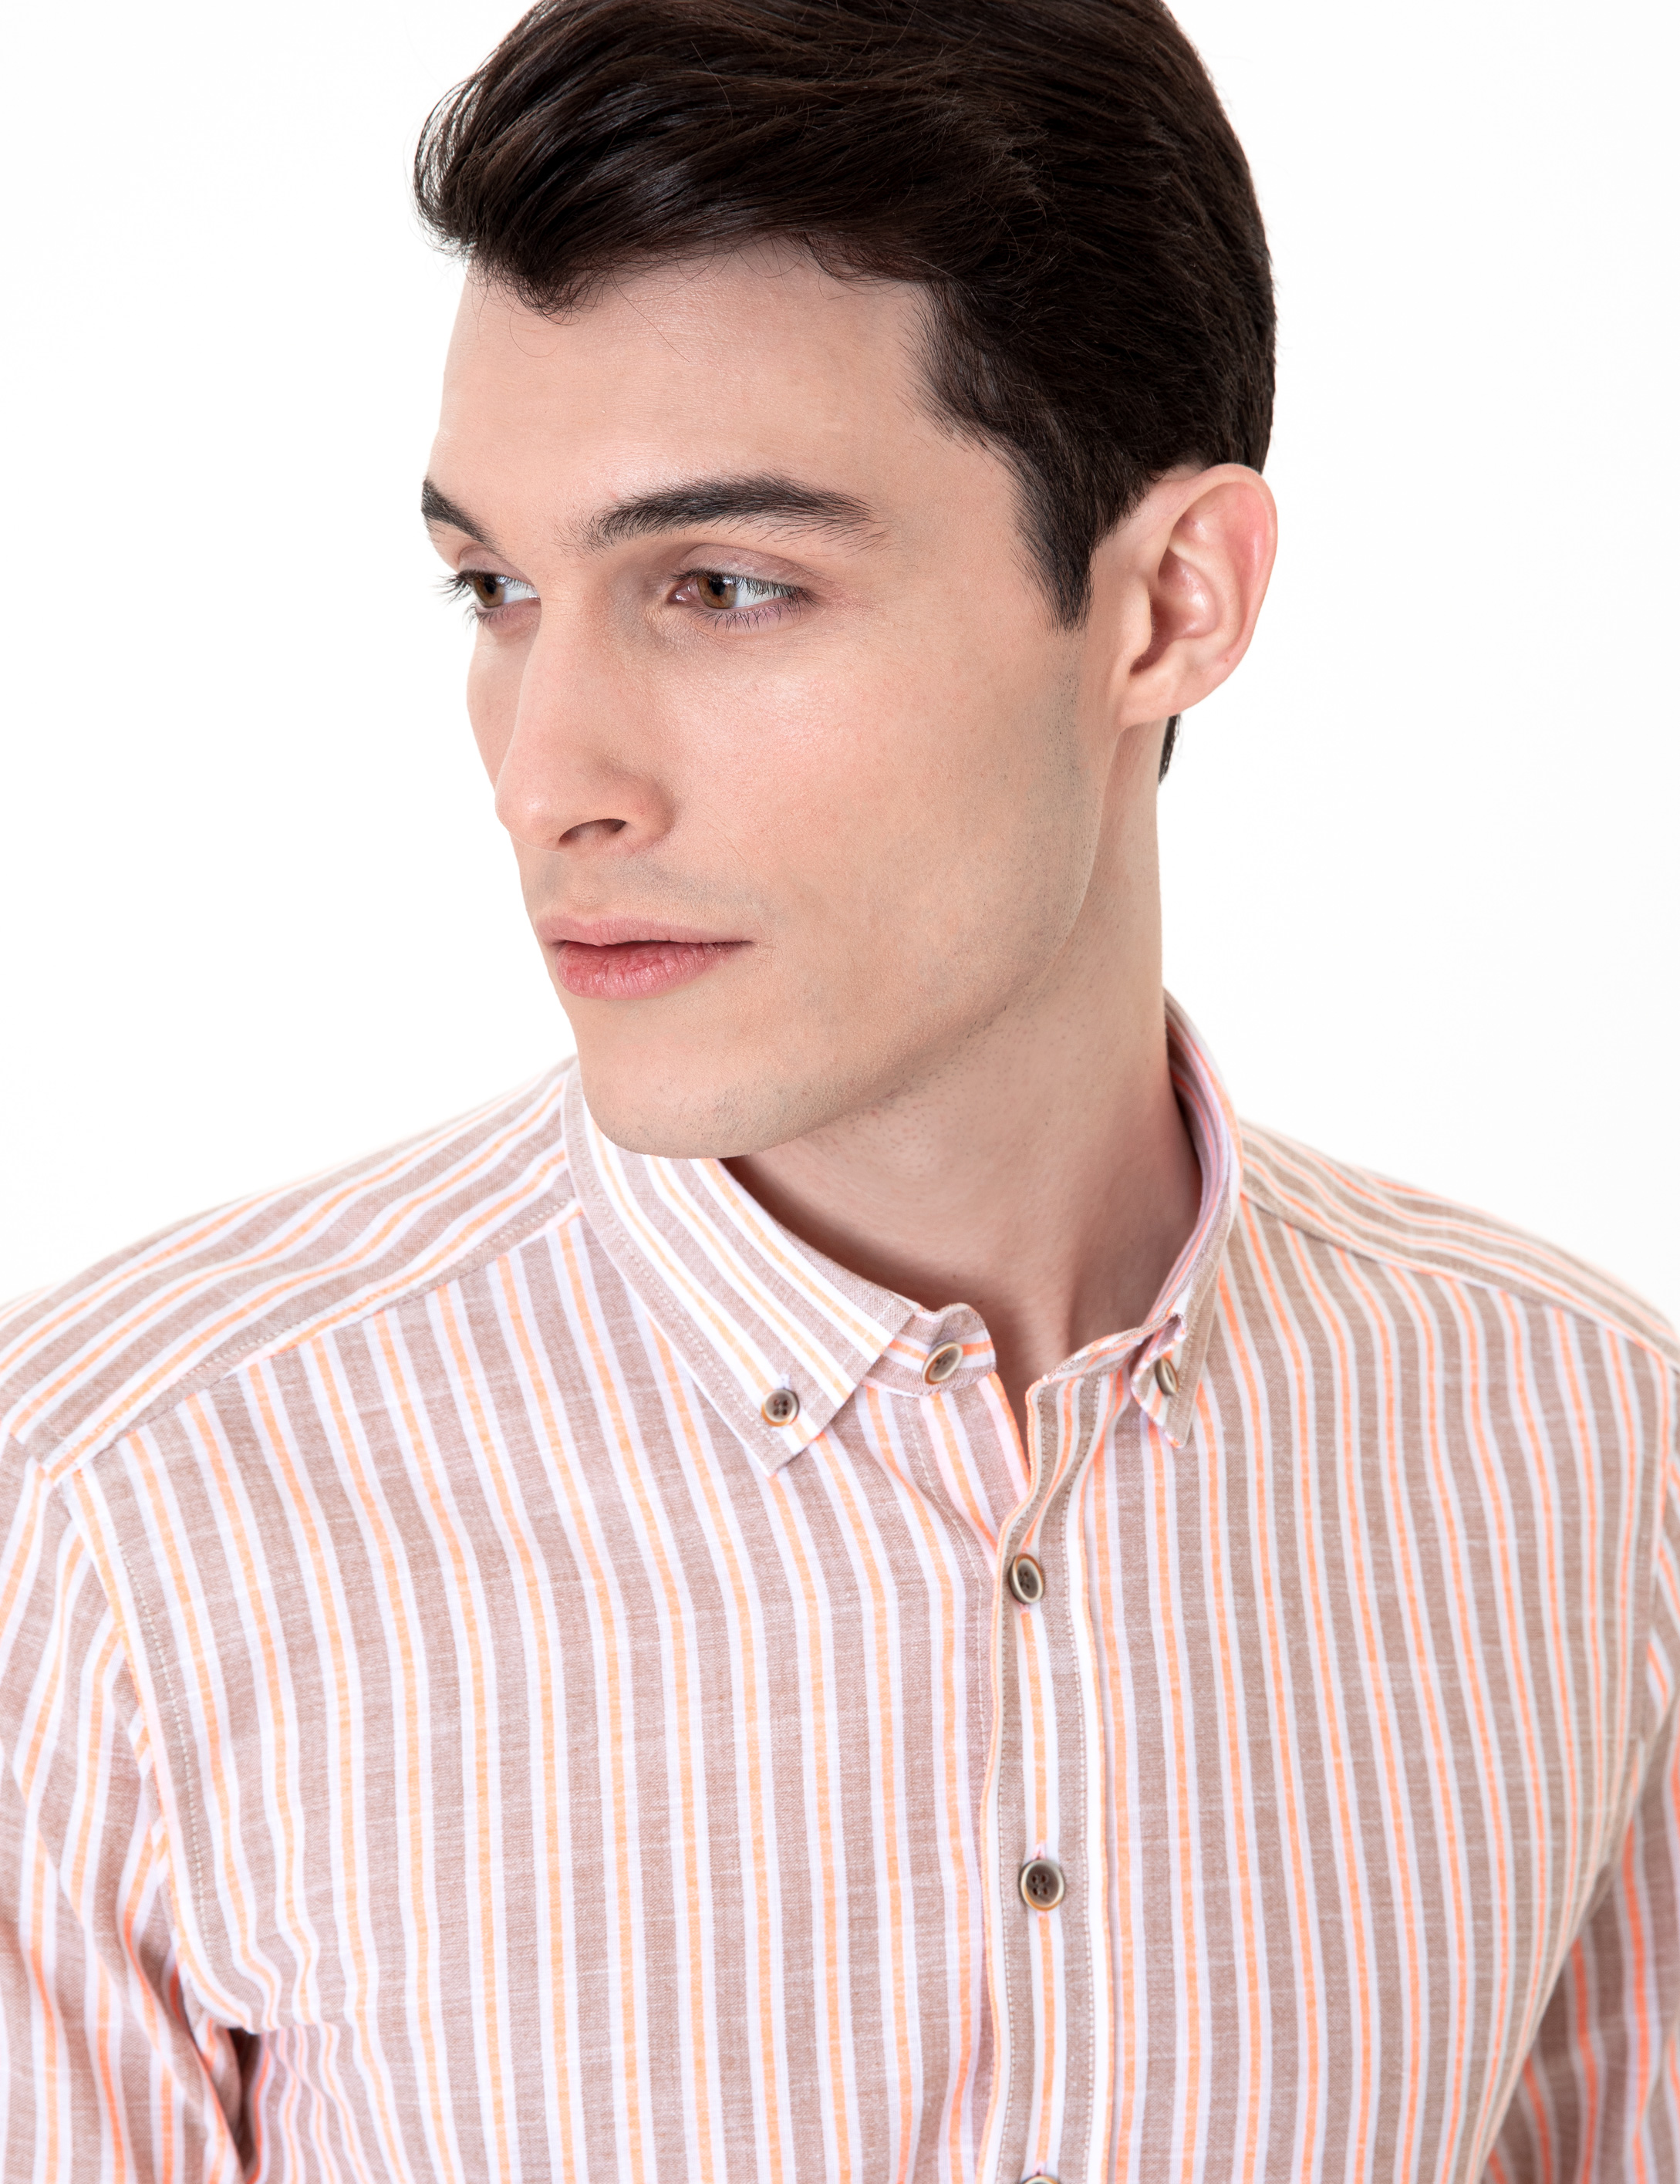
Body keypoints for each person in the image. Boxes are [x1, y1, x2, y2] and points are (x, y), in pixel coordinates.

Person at [1, 0, 1674, 2176]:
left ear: (1169, 603)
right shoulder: (113, 1524)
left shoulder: (1592, 1458)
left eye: (724, 586)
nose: (543, 776)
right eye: (495, 589)